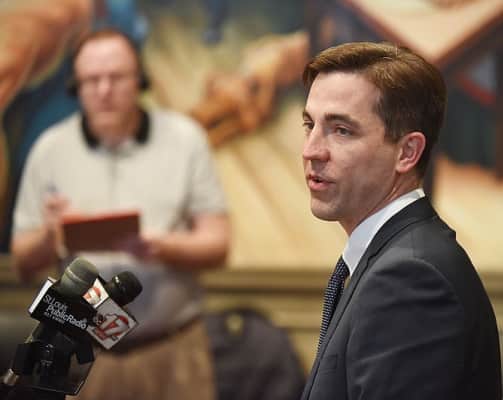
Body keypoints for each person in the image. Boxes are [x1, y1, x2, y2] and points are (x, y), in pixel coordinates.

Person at [10, 28, 230, 400]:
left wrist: (161, 247)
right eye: (92, 80)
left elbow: (218, 244)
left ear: (139, 79)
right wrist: (50, 235)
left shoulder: (185, 138)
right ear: (76, 86)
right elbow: (22, 262)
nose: (104, 90)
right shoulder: (49, 149)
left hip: (174, 350)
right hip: (83, 357)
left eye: (116, 77)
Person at [300, 42, 501, 400]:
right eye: (309, 125)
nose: (311, 150)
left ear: (407, 152)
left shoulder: (410, 278)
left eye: (341, 130)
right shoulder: (396, 258)